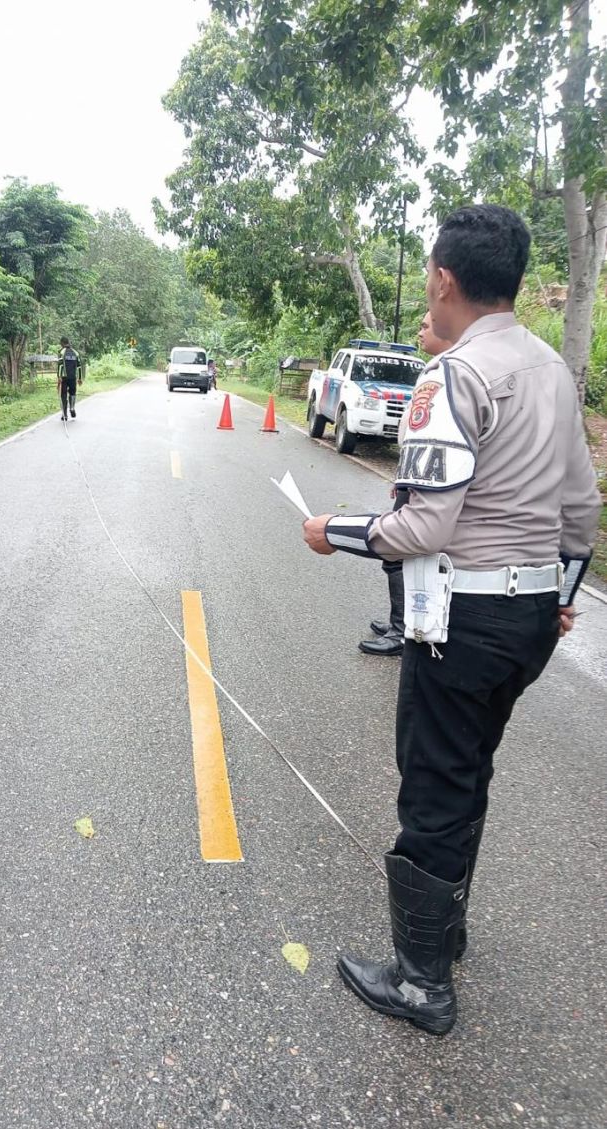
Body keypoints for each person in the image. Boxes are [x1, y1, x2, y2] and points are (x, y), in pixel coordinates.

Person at [302, 204, 601, 1036]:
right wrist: (560, 593)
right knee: (471, 768)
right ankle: (447, 928)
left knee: (435, 781)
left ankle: (421, 981)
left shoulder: (453, 376)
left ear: (442, 277)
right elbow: (581, 510)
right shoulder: (549, 370)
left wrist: (337, 531)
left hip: (463, 618)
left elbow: (425, 525)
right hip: (533, 619)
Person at [359, 313, 454, 656]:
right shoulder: (432, 371)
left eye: (426, 326)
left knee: (399, 554)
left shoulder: (449, 374)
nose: (420, 331)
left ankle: (404, 629)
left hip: (423, 482)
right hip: (411, 476)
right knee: (399, 558)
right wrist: (401, 476)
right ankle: (400, 620)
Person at [57, 337, 83, 421]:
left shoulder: (62, 352)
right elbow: (79, 366)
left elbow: (60, 365)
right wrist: (79, 378)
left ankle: (64, 415)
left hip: (64, 378)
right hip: (73, 377)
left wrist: (59, 377)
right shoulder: (76, 353)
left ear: (62, 343)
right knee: (72, 393)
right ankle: (72, 408)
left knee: (63, 395)